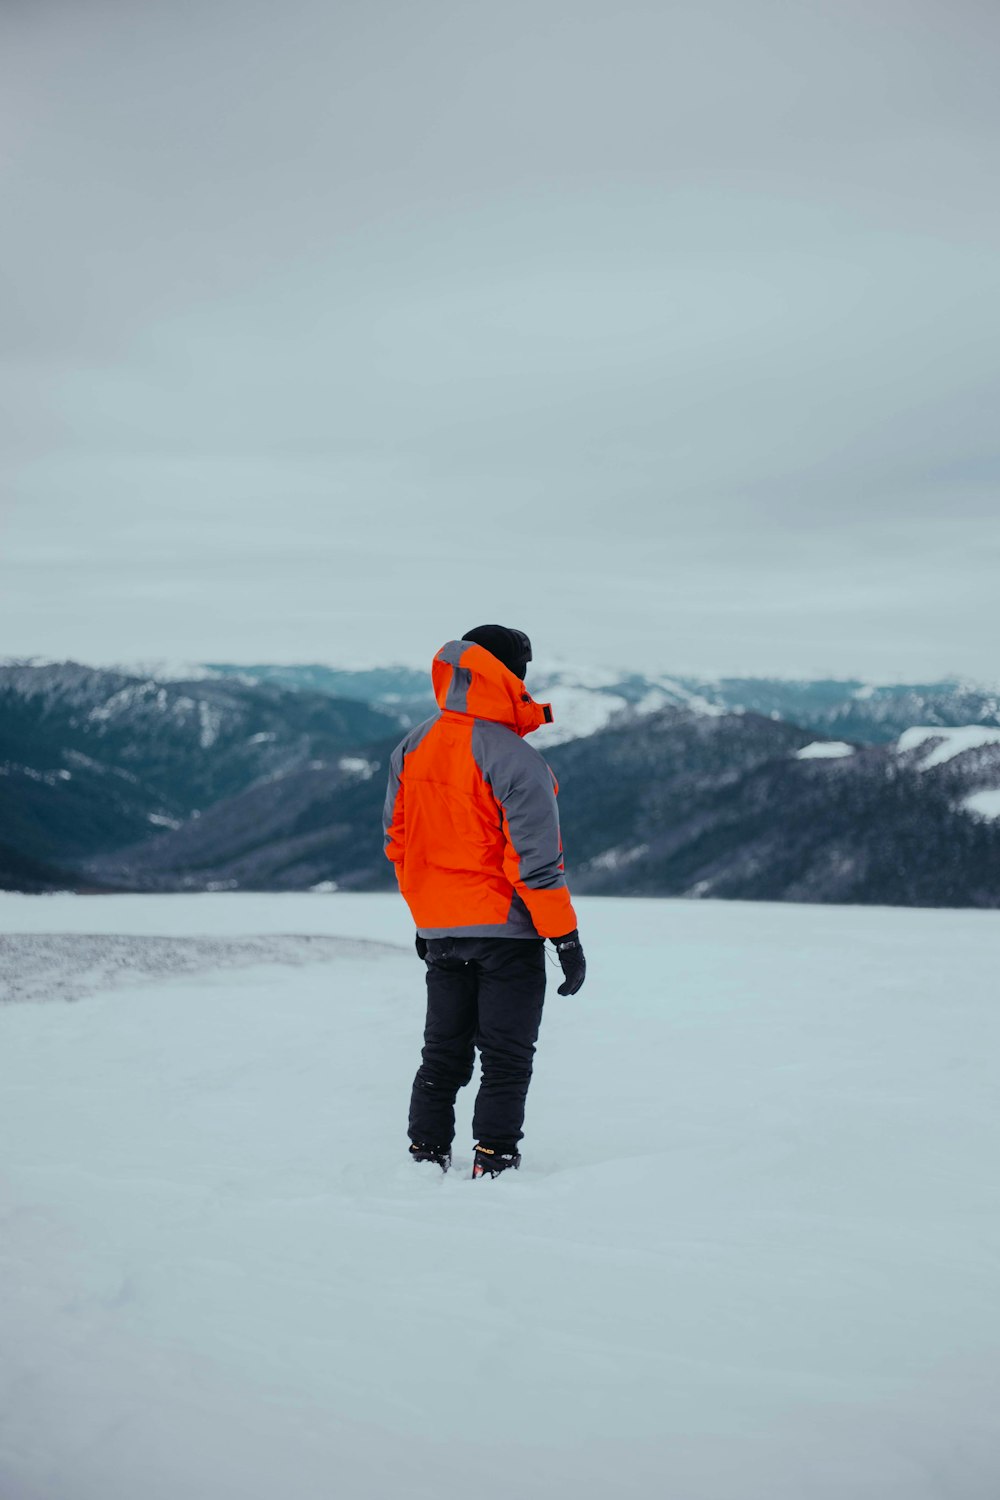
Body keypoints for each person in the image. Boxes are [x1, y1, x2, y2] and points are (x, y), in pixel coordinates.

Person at [382, 625, 586, 1179]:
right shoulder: (516, 759)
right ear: (510, 675)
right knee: (506, 1058)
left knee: (442, 1055)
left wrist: (428, 917)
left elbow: (400, 845)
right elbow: (537, 866)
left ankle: (425, 1159)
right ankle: (493, 1160)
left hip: (441, 935)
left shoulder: (413, 746)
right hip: (507, 937)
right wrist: (565, 939)